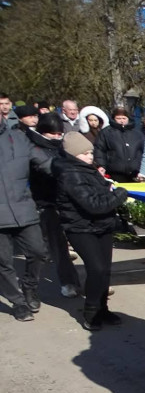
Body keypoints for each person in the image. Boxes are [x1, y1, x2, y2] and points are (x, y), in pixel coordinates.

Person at [52, 132, 128, 331]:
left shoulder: (87, 169)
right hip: (80, 227)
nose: (89, 156)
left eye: (90, 152)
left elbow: (101, 193)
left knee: (105, 270)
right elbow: (93, 204)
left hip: (101, 225)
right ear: (73, 155)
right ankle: (91, 311)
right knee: (96, 269)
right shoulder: (70, 174)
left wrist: (109, 188)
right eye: (84, 153)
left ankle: (103, 308)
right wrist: (119, 195)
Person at [0, 110, 52, 321]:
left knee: (38, 252)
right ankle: (18, 302)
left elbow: (46, 163)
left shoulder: (19, 138)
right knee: (3, 262)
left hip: (24, 209)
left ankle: (29, 287)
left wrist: (79, 171)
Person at [26, 112, 81, 298]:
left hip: (66, 200)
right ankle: (68, 282)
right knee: (56, 246)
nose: (58, 137)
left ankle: (81, 279)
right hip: (46, 203)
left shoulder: (61, 146)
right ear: (43, 132)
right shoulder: (33, 148)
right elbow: (49, 170)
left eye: (60, 134)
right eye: (53, 134)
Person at [93, 106, 145, 183]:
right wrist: (101, 165)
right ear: (114, 118)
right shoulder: (106, 132)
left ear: (128, 118)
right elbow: (99, 150)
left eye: (124, 118)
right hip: (115, 172)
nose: (121, 121)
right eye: (119, 118)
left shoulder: (137, 133)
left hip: (135, 173)